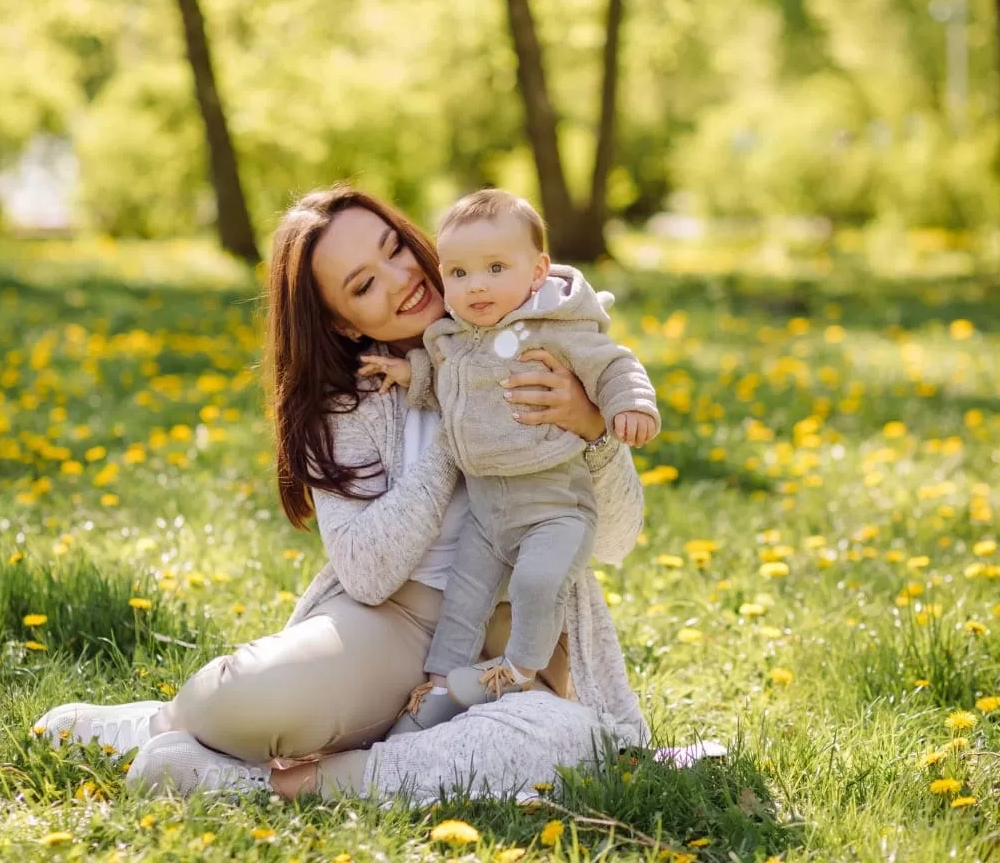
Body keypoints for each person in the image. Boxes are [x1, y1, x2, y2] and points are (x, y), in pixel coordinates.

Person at [32, 185, 648, 802]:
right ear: (340, 322)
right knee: (241, 701)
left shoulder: (545, 339)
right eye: (363, 286)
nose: (401, 279)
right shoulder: (348, 404)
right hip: (394, 622)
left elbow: (618, 540)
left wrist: (592, 427)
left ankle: (283, 783)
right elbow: (367, 573)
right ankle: (158, 726)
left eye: (396, 249)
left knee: (572, 737)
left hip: (514, 638)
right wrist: (460, 425)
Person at [359, 189, 658, 733]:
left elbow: (615, 365)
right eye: (459, 272)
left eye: (496, 268)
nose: (476, 286)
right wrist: (413, 376)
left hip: (553, 507)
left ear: (538, 270)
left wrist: (629, 404)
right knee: (463, 598)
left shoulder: (555, 328)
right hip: (487, 510)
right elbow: (449, 384)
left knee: (537, 584)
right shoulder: (455, 337)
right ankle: (441, 685)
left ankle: (520, 666)